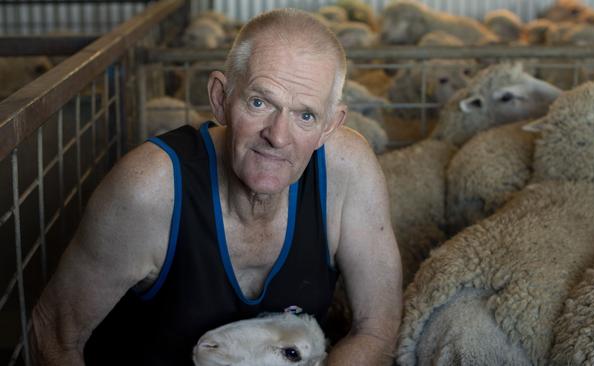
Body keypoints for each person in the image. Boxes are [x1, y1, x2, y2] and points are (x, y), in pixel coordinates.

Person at [29, 8, 402, 366]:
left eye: (306, 115)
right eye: (259, 102)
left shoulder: (347, 170)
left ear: (330, 126)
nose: (277, 136)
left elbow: (378, 328)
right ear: (221, 99)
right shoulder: (149, 189)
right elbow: (52, 334)